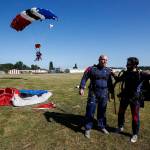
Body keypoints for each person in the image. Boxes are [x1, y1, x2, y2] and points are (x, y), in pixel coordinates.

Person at [113, 57, 150, 143]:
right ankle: (120, 126)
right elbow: (118, 80)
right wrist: (113, 74)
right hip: (125, 96)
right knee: (121, 112)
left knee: (135, 116)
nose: (126, 64)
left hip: (135, 98)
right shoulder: (126, 73)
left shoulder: (141, 74)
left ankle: (135, 134)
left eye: (128, 63)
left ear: (134, 64)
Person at [79, 55, 114, 138]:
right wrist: (82, 88)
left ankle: (101, 126)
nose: (105, 61)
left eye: (106, 60)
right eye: (103, 59)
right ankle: (87, 128)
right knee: (90, 110)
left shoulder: (108, 70)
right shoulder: (91, 69)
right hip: (93, 93)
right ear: (99, 60)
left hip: (104, 93)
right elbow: (84, 78)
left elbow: (110, 82)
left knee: (102, 111)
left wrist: (112, 92)